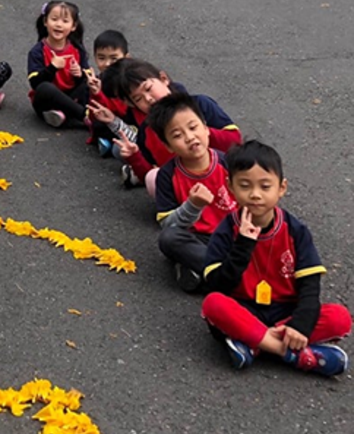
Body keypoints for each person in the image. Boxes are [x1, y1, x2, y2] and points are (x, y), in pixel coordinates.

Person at [202, 141, 350, 376]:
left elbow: (310, 286)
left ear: (281, 188)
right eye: (245, 185)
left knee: (340, 318)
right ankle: (290, 353)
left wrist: (299, 326)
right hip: (245, 310)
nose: (255, 194)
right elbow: (218, 284)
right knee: (213, 304)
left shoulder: (296, 230)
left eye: (265, 186)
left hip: (286, 313)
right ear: (230, 186)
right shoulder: (226, 229)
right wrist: (243, 245)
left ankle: (255, 344)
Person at [147, 93, 237, 292]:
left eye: (193, 127)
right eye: (177, 136)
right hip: (201, 239)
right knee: (169, 239)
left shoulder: (229, 162)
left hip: (236, 233)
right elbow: (168, 224)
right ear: (168, 145)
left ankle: (203, 274)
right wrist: (193, 205)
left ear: (205, 128)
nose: (189, 137)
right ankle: (228, 275)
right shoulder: (167, 175)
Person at [111, 59, 241, 195]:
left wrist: (202, 132)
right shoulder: (148, 130)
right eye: (138, 99)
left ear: (163, 79)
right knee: (153, 177)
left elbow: (235, 140)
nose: (148, 99)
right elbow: (149, 175)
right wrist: (134, 157)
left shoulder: (199, 104)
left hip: (224, 175)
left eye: (148, 88)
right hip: (188, 189)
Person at [27, 0, 91, 127]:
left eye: (65, 21)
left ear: (73, 26)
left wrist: (79, 74)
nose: (59, 24)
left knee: (93, 81)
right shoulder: (37, 51)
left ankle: (65, 116)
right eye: (54, 19)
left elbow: (87, 78)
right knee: (45, 88)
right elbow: (35, 84)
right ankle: (83, 116)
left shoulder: (77, 49)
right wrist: (52, 68)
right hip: (47, 102)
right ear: (45, 21)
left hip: (72, 97)